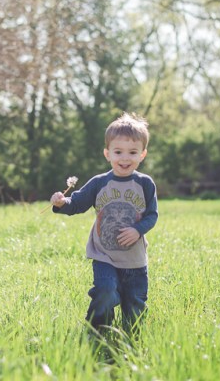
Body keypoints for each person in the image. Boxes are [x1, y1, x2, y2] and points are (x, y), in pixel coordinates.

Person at [50, 112, 158, 333]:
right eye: (118, 152)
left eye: (132, 152)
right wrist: (62, 203)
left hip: (134, 260)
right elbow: (77, 203)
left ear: (142, 154)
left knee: (135, 304)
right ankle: (98, 331)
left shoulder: (145, 184)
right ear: (107, 153)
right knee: (105, 291)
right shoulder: (99, 183)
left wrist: (138, 230)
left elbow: (152, 215)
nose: (125, 158)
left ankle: (131, 340)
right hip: (104, 255)